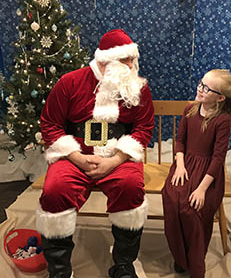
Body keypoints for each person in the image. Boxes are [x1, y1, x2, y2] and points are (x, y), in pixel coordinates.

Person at [36, 29, 154, 278]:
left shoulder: (137, 88)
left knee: (131, 187)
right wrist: (76, 156)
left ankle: (123, 265)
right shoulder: (70, 82)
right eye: (126, 60)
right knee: (55, 190)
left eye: (133, 59)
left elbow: (144, 128)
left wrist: (115, 160)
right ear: (106, 61)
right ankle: (59, 270)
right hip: (76, 154)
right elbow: (50, 123)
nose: (132, 65)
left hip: (118, 155)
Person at [161, 69, 231, 278]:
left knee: (191, 208)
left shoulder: (221, 120)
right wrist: (179, 164)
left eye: (207, 88)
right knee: (171, 198)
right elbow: (180, 141)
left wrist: (202, 189)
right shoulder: (190, 109)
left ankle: (195, 261)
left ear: (220, 97)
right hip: (185, 164)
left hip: (208, 174)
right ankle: (181, 257)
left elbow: (218, 158)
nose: (200, 89)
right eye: (200, 84)